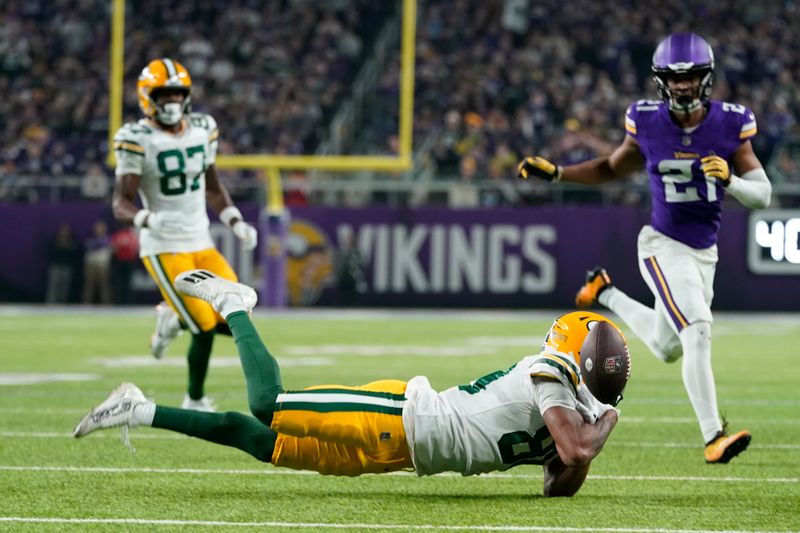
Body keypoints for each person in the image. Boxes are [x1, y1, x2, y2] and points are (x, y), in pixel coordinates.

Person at [74, 270, 622, 497]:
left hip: (401, 456)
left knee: (264, 443)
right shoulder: (551, 371)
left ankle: (140, 409)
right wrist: (608, 421)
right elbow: (575, 448)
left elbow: (559, 483)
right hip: (401, 414)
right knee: (268, 404)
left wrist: (589, 440)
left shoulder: (571, 409)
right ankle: (234, 306)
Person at [517, 33, 772, 464]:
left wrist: (731, 179)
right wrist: (560, 173)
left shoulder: (730, 124)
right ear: (660, 81)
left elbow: (762, 195)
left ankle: (603, 292)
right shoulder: (647, 122)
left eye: (691, 77)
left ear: (706, 79)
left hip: (703, 252)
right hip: (661, 244)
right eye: (675, 78)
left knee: (669, 347)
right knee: (697, 329)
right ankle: (713, 435)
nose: (683, 86)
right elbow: (610, 168)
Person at [111, 58, 258, 411]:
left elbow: (213, 186)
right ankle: (194, 399)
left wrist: (235, 220)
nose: (173, 102)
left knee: (240, 313)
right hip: (164, 246)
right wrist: (146, 219)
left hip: (201, 240)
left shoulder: (203, 128)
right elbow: (120, 202)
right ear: (149, 98)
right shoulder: (136, 138)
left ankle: (171, 317)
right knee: (205, 327)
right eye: (165, 95)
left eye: (178, 94)